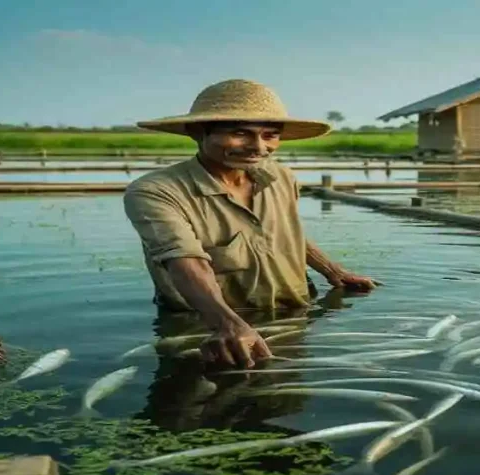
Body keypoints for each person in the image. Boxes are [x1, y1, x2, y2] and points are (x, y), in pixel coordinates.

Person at [124, 79, 377, 369]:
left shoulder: (280, 177)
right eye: (240, 133)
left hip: (293, 313)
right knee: (199, 407)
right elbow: (185, 262)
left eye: (270, 135)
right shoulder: (156, 191)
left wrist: (332, 270)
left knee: (285, 402)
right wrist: (226, 324)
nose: (258, 147)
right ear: (197, 132)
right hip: (207, 326)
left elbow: (286, 231)